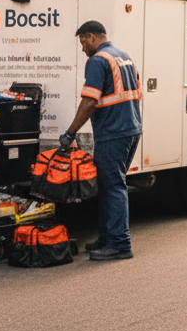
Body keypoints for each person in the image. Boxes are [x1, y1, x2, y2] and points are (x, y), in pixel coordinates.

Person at [59, 20, 141, 261]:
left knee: (113, 186)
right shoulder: (125, 56)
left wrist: (70, 133)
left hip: (113, 132)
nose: (83, 48)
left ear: (92, 37)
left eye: (83, 42)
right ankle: (107, 237)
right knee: (109, 185)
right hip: (131, 129)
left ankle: (119, 244)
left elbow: (89, 101)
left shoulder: (97, 61)